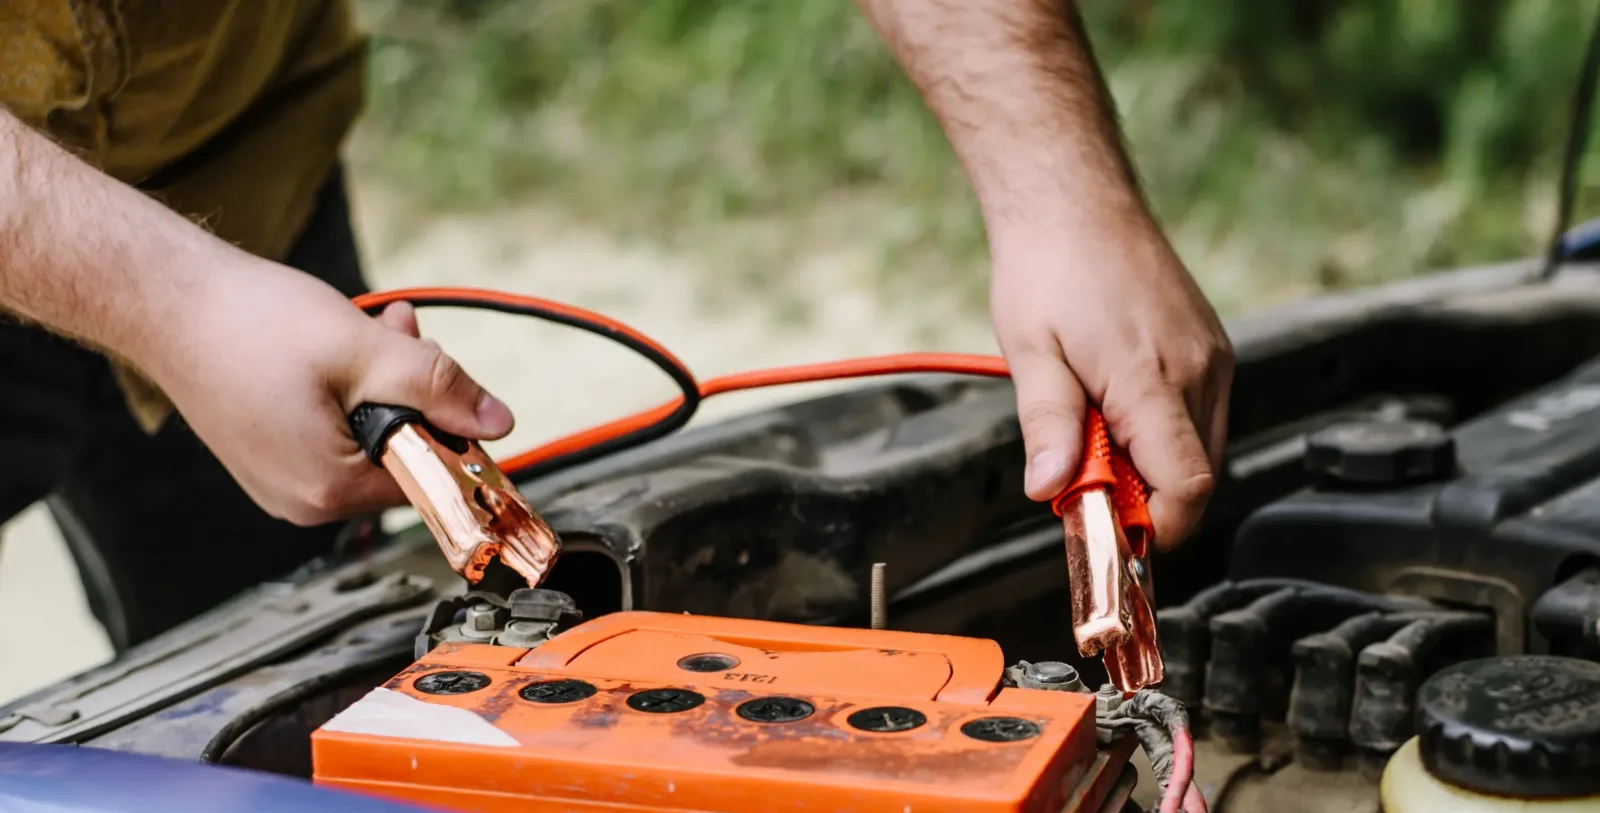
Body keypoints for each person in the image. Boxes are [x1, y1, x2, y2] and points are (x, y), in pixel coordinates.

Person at [0, 1, 1232, 653]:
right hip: (176, 267)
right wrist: (174, 300)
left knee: (232, 724)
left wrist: (1058, 184)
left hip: (237, 159)